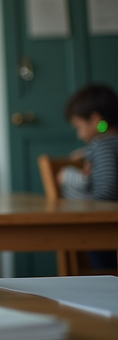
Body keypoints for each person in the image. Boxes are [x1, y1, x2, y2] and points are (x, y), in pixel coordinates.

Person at [57, 83, 118, 270]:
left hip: (107, 229)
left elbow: (105, 194)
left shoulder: (100, 145)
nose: (79, 133)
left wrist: (67, 178)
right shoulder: (108, 143)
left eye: (79, 126)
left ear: (95, 118)